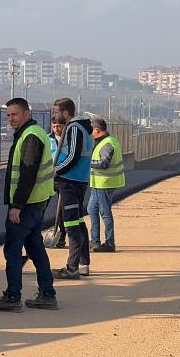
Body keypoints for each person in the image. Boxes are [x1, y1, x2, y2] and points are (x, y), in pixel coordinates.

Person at [0, 98, 58, 312]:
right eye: (8, 115)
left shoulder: (30, 137)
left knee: (13, 249)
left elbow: (28, 173)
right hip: (37, 202)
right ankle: (47, 294)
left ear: (27, 113)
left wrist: (17, 205)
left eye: (14, 114)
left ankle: (13, 296)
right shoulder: (33, 133)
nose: (10, 119)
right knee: (35, 248)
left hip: (27, 204)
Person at [51, 98, 93, 279]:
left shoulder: (74, 129)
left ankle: (72, 267)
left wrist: (56, 171)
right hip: (76, 180)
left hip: (70, 182)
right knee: (78, 221)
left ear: (66, 113)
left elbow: (73, 156)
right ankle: (83, 264)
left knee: (70, 225)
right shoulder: (81, 128)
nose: (54, 115)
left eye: (56, 112)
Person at [88, 118, 124, 252]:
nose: (91, 133)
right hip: (98, 183)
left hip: (105, 183)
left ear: (97, 131)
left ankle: (109, 243)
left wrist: (87, 163)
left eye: (92, 130)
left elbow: (103, 164)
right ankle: (95, 241)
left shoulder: (107, 143)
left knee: (105, 212)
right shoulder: (106, 141)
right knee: (91, 209)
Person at [48, 117, 67, 249]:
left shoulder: (69, 140)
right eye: (54, 126)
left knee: (62, 210)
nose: (56, 129)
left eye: (59, 126)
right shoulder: (47, 139)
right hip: (49, 177)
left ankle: (61, 237)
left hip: (63, 176)